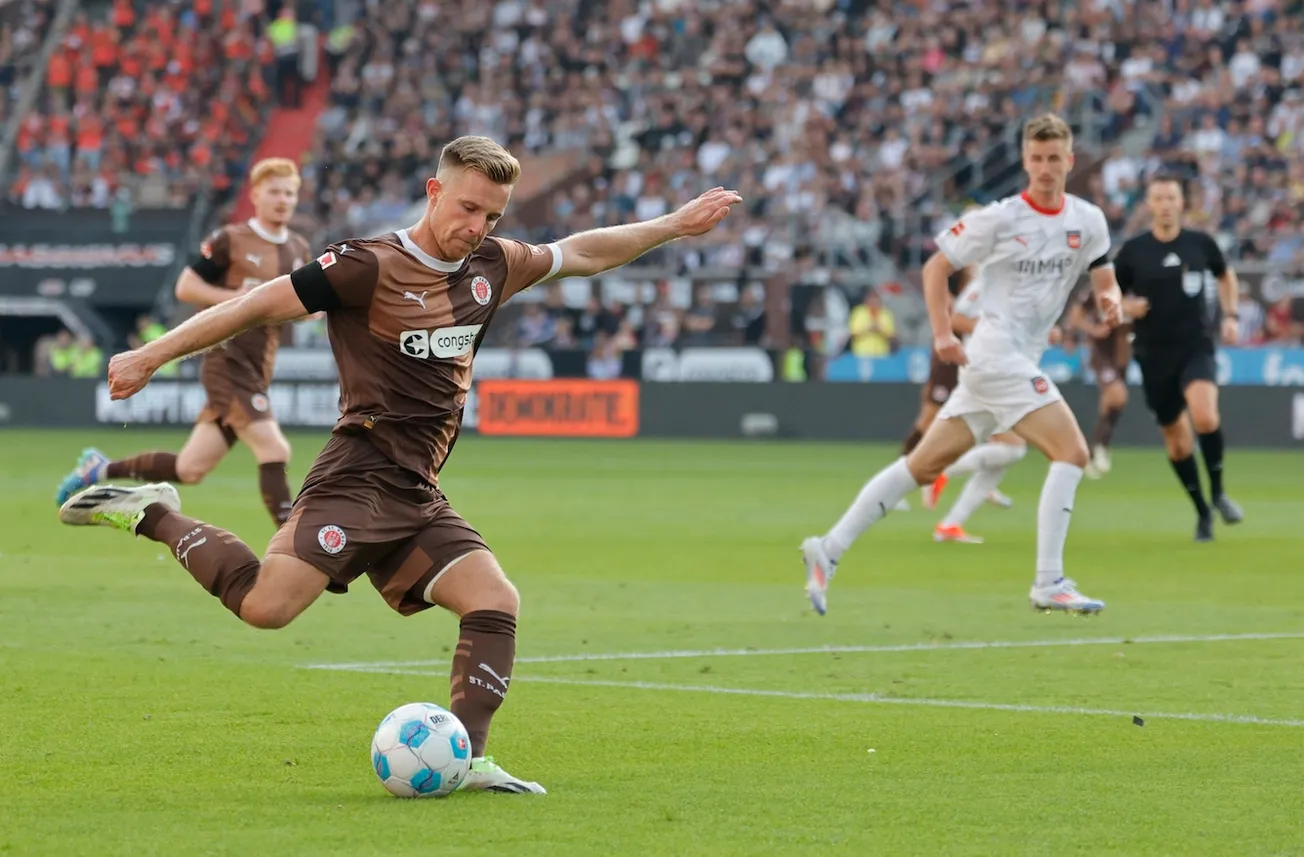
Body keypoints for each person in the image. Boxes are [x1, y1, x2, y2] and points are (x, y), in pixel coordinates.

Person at [58, 135, 742, 795]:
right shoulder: (366, 264)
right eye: (468, 208)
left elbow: (584, 251)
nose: (477, 226)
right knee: (266, 607)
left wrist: (676, 225)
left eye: (493, 216)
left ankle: (470, 758)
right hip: (357, 471)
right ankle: (153, 511)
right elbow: (253, 304)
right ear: (434, 190)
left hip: (417, 486)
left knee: (495, 599)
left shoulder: (492, 268)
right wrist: (151, 354)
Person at [798, 113, 1121, 617]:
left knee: (922, 467)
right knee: (1072, 452)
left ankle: (829, 547)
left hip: (1006, 362)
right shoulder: (1000, 218)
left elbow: (1103, 273)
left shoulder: (1089, 220)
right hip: (995, 355)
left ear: (1070, 161)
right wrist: (943, 332)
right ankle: (1048, 581)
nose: (1044, 168)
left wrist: (1112, 303)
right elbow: (935, 266)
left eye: (1054, 158)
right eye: (1036, 158)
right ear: (1023, 160)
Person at [56, 158, 313, 528]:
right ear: (256, 195)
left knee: (189, 468)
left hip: (259, 367)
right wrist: (233, 296)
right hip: (227, 362)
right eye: (274, 191)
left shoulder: (298, 249)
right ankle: (293, 545)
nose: (283, 199)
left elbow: (301, 307)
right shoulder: (230, 240)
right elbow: (186, 286)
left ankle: (100, 468)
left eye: (289, 193)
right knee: (274, 448)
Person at [1113, 174, 1244, 541]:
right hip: (1153, 354)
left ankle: (1218, 492)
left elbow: (1226, 276)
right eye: (1158, 198)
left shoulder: (1200, 244)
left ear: (1181, 202)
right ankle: (1202, 511)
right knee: (1177, 441)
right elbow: (1109, 295)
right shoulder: (1134, 251)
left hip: (1195, 345)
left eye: (1171, 197)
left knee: (1204, 414)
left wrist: (1231, 316)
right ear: (1149, 204)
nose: (1166, 204)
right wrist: (1126, 306)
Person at [923, 274, 1032, 544]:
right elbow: (958, 319)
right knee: (1013, 448)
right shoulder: (986, 280)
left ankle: (950, 525)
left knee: (1001, 459)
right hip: (988, 370)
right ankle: (939, 470)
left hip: (1005, 369)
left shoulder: (1018, 283)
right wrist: (993, 334)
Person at [1066, 286, 1136, 478]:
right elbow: (1075, 316)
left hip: (1122, 354)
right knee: (1118, 396)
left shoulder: (1137, 285)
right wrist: (1092, 329)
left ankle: (1091, 451)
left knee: (1111, 404)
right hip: (1101, 353)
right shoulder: (1099, 288)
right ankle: (1100, 446)